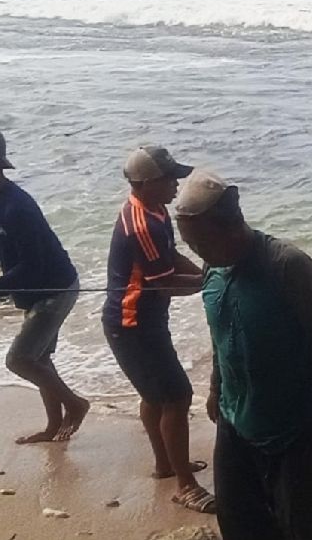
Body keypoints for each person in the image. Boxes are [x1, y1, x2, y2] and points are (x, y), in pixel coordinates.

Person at [175, 169, 312, 540]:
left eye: (199, 244)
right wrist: (215, 387)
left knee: (305, 525)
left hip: (293, 428)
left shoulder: (288, 266)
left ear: (231, 227)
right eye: (188, 244)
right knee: (239, 520)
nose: (195, 253)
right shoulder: (213, 267)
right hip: (234, 419)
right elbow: (220, 332)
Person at [0, 124, 90, 444]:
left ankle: (76, 404)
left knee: (19, 360)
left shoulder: (18, 205)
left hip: (55, 289)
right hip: (32, 290)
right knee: (39, 359)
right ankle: (53, 426)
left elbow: (32, 266)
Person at [101, 145, 214, 513]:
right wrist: (210, 283)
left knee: (155, 397)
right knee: (176, 397)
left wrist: (204, 270)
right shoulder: (142, 224)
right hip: (132, 324)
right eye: (170, 180)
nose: (176, 186)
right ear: (146, 183)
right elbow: (164, 283)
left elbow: (170, 258)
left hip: (145, 320)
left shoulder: (155, 209)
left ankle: (166, 464)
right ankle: (185, 485)